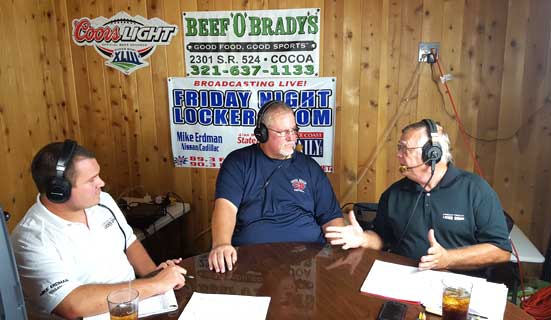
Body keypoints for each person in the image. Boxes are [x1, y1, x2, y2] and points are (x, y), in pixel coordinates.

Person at [11, 140, 187, 319]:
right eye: (91, 180)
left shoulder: (103, 200)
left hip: (134, 306)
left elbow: (129, 242)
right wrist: (155, 285)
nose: (101, 183)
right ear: (59, 191)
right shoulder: (30, 239)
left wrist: (156, 276)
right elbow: (72, 305)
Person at [325, 119, 511, 277]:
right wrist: (364, 238)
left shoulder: (476, 189)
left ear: (433, 153)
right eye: (399, 148)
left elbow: (501, 251)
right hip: (405, 282)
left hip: (459, 290)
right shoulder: (393, 194)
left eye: (404, 149)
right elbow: (383, 238)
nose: (398, 156)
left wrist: (448, 259)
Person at [208, 100, 344, 273]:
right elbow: (225, 208)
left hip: (307, 261)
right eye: (283, 132)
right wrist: (221, 244)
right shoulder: (238, 163)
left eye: (294, 130)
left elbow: (331, 217)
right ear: (262, 133)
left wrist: (341, 249)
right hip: (252, 263)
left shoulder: (310, 167)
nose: (291, 137)